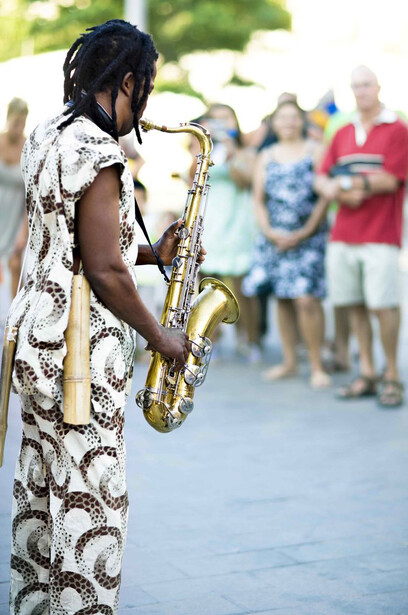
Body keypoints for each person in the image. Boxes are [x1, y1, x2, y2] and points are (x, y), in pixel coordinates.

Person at [6, 19, 203, 614]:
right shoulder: (98, 150)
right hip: (80, 359)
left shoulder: (46, 132)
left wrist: (152, 250)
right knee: (91, 501)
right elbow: (106, 272)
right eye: (147, 89)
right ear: (126, 80)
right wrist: (162, 338)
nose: (148, 104)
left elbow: (74, 244)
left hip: (35, 341)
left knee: (44, 495)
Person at [315, 65, 408, 407]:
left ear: (379, 87)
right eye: (356, 86)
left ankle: (392, 375)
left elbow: (393, 178)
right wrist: (337, 191)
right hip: (344, 233)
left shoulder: (397, 128)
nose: (361, 91)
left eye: (367, 84)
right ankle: (367, 371)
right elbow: (321, 177)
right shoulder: (342, 131)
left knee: (384, 306)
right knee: (353, 303)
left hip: (381, 234)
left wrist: (349, 185)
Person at [243, 99, 331, 389]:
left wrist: (306, 230)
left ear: (302, 121)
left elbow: (324, 197)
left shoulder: (315, 151)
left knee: (306, 300)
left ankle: (317, 364)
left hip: (309, 236)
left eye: (294, 118)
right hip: (275, 238)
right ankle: (290, 361)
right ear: (274, 123)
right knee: (282, 298)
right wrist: (269, 231)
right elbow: (258, 198)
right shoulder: (266, 155)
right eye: (283, 118)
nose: (289, 123)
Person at [194, 103, 261, 361]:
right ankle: (212, 338)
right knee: (207, 281)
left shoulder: (245, 151)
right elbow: (193, 175)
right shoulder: (202, 146)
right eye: (216, 119)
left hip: (236, 219)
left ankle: (249, 339)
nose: (222, 124)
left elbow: (244, 179)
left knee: (242, 286)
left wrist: (231, 151)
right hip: (210, 217)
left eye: (226, 119)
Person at [0, 98, 28, 317]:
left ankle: (10, 320)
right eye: (16, 122)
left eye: (23, 123)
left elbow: (31, 195)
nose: (19, 128)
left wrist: (24, 230)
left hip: (16, 216)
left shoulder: (27, 147)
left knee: (14, 265)